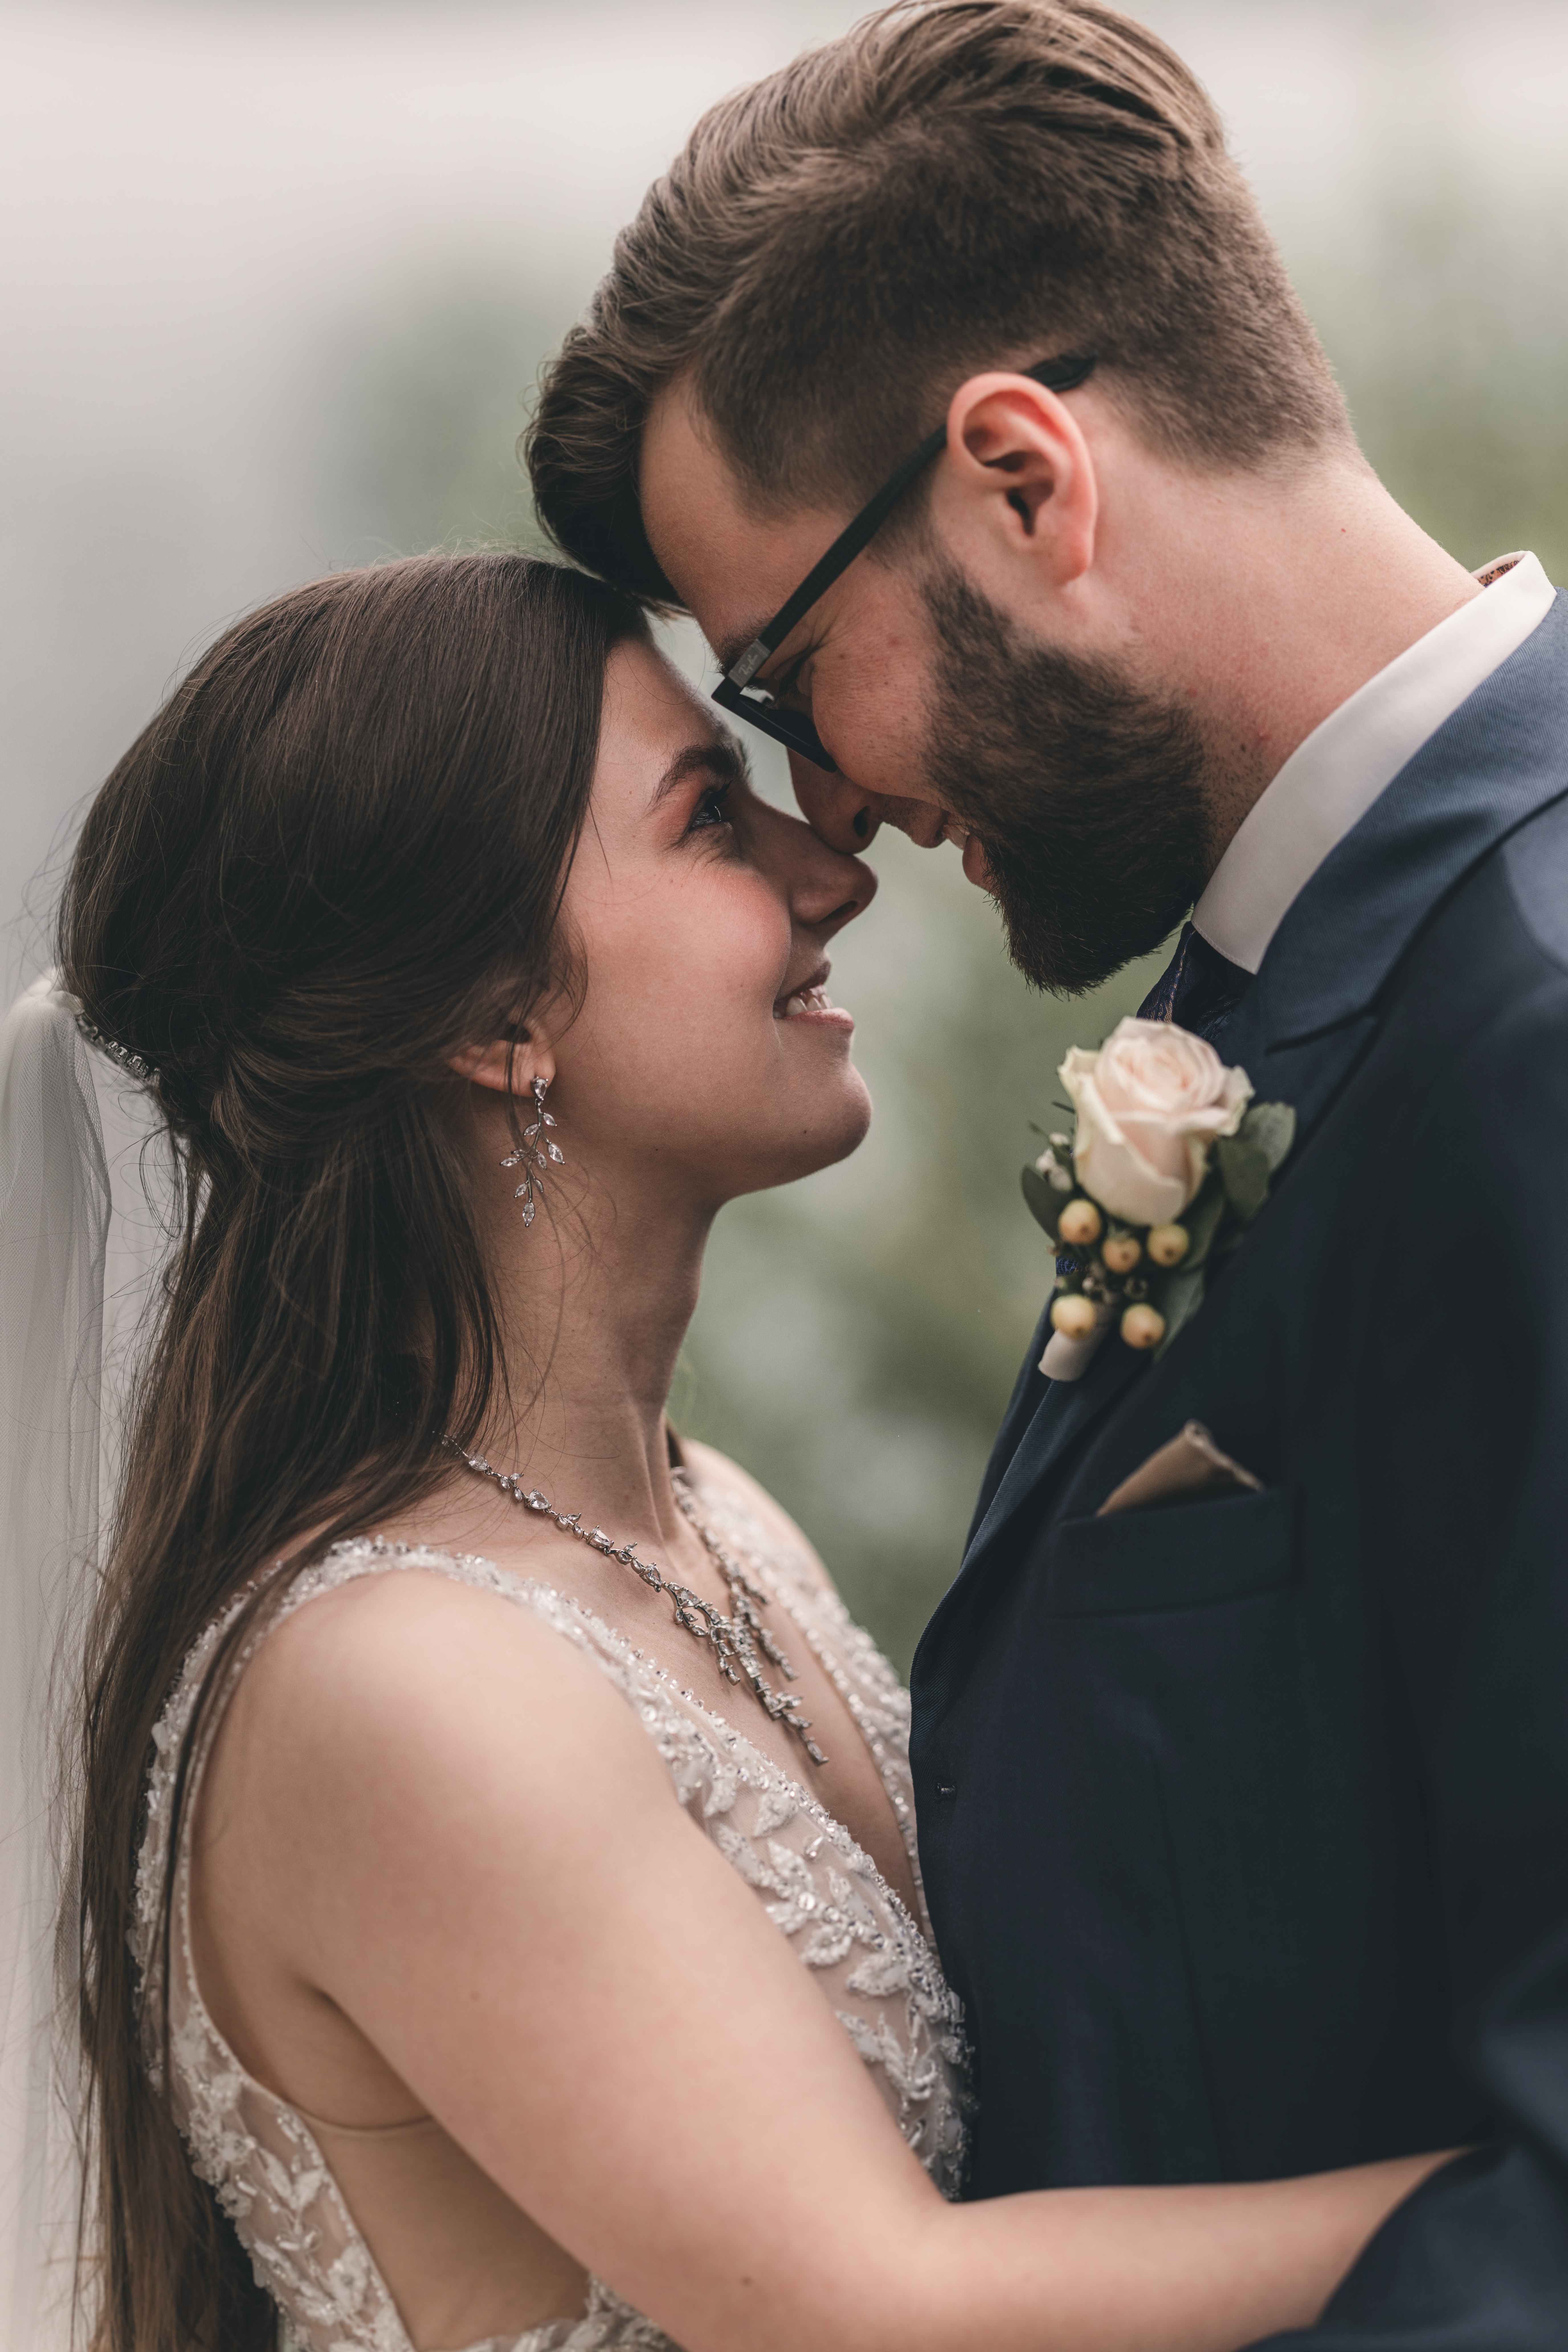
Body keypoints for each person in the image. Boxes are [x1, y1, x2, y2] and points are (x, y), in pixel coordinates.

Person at [0, 551, 1446, 2352]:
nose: (832, 868)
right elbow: (877, 2310)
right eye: (706, 819)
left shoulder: (720, 1524)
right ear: (490, 1018)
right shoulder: (398, 1686)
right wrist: (1513, 2192)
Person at [524, 1, 1568, 2344]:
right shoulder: (1286, 998)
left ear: (1023, 481)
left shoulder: (1532, 1027)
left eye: (786, 687)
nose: (832, 823)